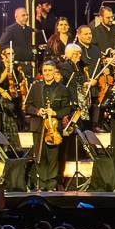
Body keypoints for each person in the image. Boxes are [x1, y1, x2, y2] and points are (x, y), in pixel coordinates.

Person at [26, 61, 73, 191]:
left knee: (52, 157)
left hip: (53, 128)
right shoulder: (35, 87)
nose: (47, 73)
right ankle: (41, 183)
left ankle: (51, 185)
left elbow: (67, 109)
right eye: (45, 70)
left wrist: (55, 113)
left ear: (54, 72)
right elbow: (27, 106)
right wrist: (37, 111)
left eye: (50, 70)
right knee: (40, 156)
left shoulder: (62, 89)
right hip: (38, 126)